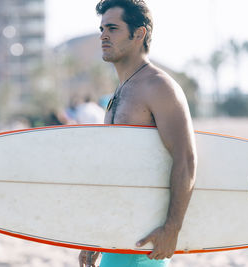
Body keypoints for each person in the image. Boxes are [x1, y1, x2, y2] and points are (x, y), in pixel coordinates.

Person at [79, 0, 197, 266]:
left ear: (139, 33)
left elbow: (186, 159)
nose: (103, 36)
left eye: (112, 28)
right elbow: (114, 169)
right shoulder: (119, 93)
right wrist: (97, 234)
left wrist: (172, 228)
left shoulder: (158, 86)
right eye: (101, 29)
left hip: (144, 243)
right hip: (118, 234)